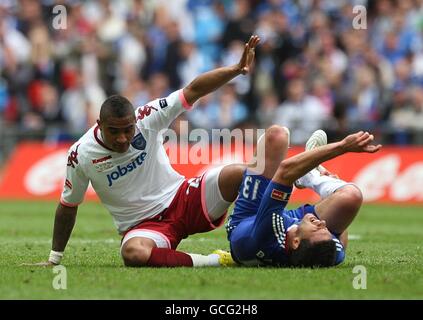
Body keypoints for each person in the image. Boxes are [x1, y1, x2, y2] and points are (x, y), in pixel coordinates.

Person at [31, 35, 262, 268]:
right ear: (99, 125)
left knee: (240, 174)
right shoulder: (80, 154)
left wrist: (236, 69)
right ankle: (217, 260)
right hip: (144, 227)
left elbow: (193, 90)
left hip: (182, 199)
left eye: (128, 130)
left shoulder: (147, 118)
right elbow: (68, 206)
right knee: (133, 253)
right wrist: (54, 259)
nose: (122, 138)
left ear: (135, 121)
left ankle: (264, 237)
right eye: (114, 131)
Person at [226, 129, 382, 267]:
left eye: (318, 228)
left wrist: (343, 146)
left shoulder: (269, 233)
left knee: (277, 136)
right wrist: (331, 195)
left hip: (250, 218)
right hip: (295, 224)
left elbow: (286, 171)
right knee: (351, 198)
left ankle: (310, 176)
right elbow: (340, 233)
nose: (323, 222)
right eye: (325, 229)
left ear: (295, 242)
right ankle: (313, 176)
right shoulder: (328, 254)